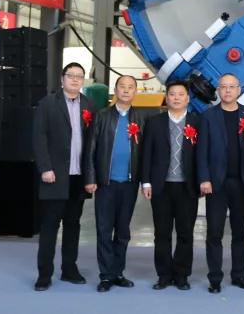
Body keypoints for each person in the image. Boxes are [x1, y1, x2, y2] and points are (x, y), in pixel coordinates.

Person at [32, 61, 97, 291]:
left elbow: (92, 143)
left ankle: (69, 269)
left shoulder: (89, 105)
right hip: (55, 175)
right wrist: (45, 168)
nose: (75, 79)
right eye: (71, 75)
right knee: (50, 226)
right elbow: (39, 138)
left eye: (79, 76)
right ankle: (44, 274)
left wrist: (91, 176)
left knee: (73, 225)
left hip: (78, 177)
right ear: (62, 79)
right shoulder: (48, 104)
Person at [84, 75, 145, 292]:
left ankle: (118, 272)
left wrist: (145, 181)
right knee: (104, 229)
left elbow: (145, 153)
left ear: (135, 91)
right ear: (115, 90)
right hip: (106, 183)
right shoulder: (102, 116)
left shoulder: (141, 118)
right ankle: (106, 276)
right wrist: (91, 178)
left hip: (129, 183)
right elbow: (90, 149)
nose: (126, 90)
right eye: (122, 87)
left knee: (123, 231)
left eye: (130, 87)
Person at [197, 73, 244, 293]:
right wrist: (204, 178)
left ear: (239, 90)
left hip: (241, 183)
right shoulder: (208, 117)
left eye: (232, 87)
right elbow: (201, 151)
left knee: (240, 233)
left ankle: (238, 275)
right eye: (224, 87)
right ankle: (215, 278)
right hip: (216, 184)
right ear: (218, 90)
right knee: (214, 232)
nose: (228, 90)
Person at [141, 80, 200, 291]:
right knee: (162, 233)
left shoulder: (197, 122)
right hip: (161, 186)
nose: (176, 98)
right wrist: (146, 181)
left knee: (186, 233)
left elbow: (202, 155)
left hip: (187, 187)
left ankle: (182, 275)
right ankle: (164, 275)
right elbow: (146, 153)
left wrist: (203, 180)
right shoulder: (154, 122)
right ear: (166, 97)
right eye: (172, 94)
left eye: (180, 94)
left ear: (188, 98)